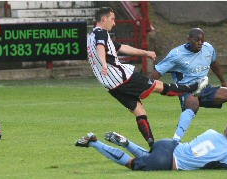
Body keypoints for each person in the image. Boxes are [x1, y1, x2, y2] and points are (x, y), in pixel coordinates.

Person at [87, 7, 208, 147]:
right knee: (160, 86)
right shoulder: (101, 33)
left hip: (111, 86)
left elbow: (122, 48)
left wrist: (145, 53)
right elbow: (101, 48)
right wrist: (104, 64)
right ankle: (193, 87)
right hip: (123, 77)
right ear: (104, 19)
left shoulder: (91, 37)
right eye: (112, 19)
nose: (114, 23)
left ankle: (152, 144)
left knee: (139, 111)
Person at [149, 28, 227, 142]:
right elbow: (157, 72)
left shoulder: (208, 48)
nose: (200, 43)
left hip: (205, 88)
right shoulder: (176, 54)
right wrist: (146, 87)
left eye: (202, 40)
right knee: (193, 106)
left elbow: (215, 64)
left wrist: (223, 81)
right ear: (189, 39)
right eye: (196, 40)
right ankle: (175, 141)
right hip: (186, 90)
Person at [75, 123, 227, 171]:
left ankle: (127, 143)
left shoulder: (212, 132)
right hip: (168, 161)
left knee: (147, 155)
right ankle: (93, 141)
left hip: (169, 145)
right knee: (132, 164)